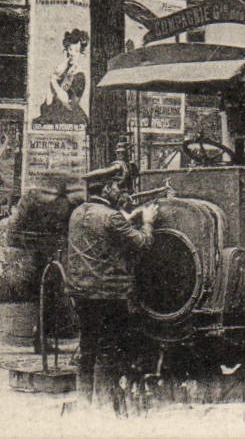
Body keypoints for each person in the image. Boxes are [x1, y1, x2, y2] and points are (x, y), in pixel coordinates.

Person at [64, 164, 155, 408]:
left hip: (81, 293)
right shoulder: (112, 217)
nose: (119, 191)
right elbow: (143, 243)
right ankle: (105, 407)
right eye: (116, 186)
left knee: (87, 348)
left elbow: (102, 232)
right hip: (108, 295)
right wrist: (147, 221)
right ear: (106, 188)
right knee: (107, 350)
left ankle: (84, 403)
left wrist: (125, 219)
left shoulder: (78, 213)